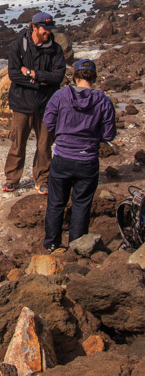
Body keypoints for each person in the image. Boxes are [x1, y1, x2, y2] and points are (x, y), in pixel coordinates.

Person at [42, 58, 116, 250]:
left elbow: (48, 122)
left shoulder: (60, 96)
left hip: (63, 157)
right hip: (87, 159)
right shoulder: (103, 101)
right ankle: (76, 247)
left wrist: (64, 131)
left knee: (56, 204)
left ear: (74, 77)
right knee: (81, 204)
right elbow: (109, 134)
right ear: (95, 77)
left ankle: (51, 244)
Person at [3, 11, 66, 194]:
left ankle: (43, 179)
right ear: (34, 27)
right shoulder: (19, 46)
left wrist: (32, 74)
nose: (48, 32)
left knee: (45, 145)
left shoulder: (56, 49)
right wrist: (39, 82)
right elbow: (13, 73)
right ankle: (12, 179)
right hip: (22, 104)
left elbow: (57, 76)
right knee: (17, 143)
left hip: (47, 105)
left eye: (49, 29)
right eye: (45, 29)